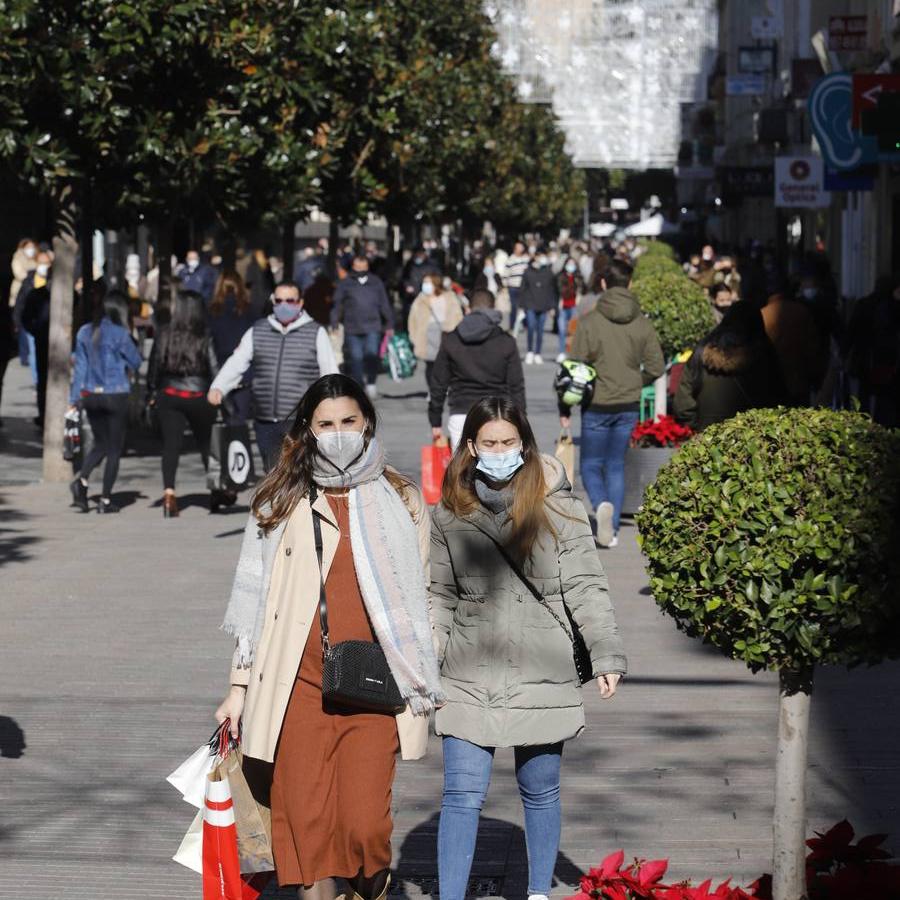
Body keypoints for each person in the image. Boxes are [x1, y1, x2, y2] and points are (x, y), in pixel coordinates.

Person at [215, 373, 443, 899]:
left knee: (365, 829)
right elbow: (255, 608)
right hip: (297, 687)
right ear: (307, 430)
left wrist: (433, 671)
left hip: (377, 685)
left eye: (348, 421)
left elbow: (427, 596)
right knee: (306, 829)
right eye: (325, 424)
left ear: (366, 423)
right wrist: (238, 689)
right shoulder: (280, 498)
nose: (338, 433)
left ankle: (368, 887)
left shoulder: (403, 498)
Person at [430, 397, 626, 900]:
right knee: (460, 794)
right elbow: (438, 594)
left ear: (525, 444)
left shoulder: (559, 506)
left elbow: (586, 584)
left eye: (509, 442)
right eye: (489, 443)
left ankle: (538, 892)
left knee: (540, 790)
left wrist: (604, 654)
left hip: (544, 661)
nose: (499, 452)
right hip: (468, 666)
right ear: (470, 446)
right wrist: (427, 665)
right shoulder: (449, 512)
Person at [560, 259, 665, 549]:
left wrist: (565, 407)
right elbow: (656, 366)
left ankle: (601, 504)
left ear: (603, 283)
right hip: (628, 402)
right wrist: (636, 381)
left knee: (591, 464)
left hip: (597, 402)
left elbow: (576, 367)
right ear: (630, 284)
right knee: (616, 464)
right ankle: (614, 528)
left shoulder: (590, 322)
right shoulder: (642, 322)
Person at [209, 281, 339, 471]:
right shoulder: (258, 330)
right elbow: (238, 361)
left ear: (300, 303)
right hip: (265, 418)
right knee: (272, 473)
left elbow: (329, 371)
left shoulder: (316, 332)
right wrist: (219, 386)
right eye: (278, 300)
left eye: (290, 300)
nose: (284, 305)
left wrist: (333, 406)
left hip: (299, 419)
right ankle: (278, 502)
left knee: (299, 471)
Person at [68, 291, 143, 513]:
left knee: (99, 443)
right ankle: (106, 500)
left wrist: (74, 400)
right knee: (113, 449)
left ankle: (81, 481)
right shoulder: (120, 334)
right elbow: (137, 362)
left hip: (90, 395)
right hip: (115, 394)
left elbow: (79, 369)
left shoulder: (84, 332)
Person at [146, 291, 219, 518]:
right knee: (207, 443)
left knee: (171, 445)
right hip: (198, 394)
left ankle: (169, 494)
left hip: (170, 393)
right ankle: (215, 489)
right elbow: (214, 366)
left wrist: (152, 390)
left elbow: (154, 366)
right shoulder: (204, 335)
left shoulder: (165, 333)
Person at [429, 289, 525, 451]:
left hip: (461, 413)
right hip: (498, 414)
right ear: (493, 309)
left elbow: (438, 384)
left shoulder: (451, 340)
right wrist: (521, 421)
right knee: (499, 472)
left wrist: (435, 420)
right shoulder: (506, 341)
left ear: (468, 309)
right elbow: (516, 386)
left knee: (463, 473)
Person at [673, 303, 786, 432]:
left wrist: (697, 428)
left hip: (707, 437)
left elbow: (683, 405)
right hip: (753, 436)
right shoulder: (764, 353)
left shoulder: (701, 352)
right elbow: (778, 398)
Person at [330, 255, 394, 400]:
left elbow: (384, 303)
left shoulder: (376, 282)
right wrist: (334, 321)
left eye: (363, 267)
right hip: (352, 327)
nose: (360, 269)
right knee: (356, 358)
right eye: (357, 267)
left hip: (373, 326)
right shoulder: (345, 283)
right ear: (353, 266)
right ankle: (359, 386)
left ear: (367, 267)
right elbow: (337, 303)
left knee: (372, 355)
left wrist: (389, 322)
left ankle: (371, 383)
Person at [207, 271, 258, 427]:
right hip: (246, 370)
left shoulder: (211, 311)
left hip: (219, 367)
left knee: (225, 416)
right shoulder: (250, 310)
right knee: (239, 418)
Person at [407, 273, 464, 397]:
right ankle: (432, 390)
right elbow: (412, 319)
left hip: (445, 334)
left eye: (428, 282)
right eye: (424, 282)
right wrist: (414, 336)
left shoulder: (449, 296)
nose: (425, 285)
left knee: (445, 364)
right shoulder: (420, 299)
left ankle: (445, 387)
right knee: (430, 365)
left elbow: (457, 315)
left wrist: (454, 331)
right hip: (426, 335)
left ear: (435, 283)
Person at [17, 248, 53, 426]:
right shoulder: (35, 292)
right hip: (41, 339)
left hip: (58, 343)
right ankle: (43, 412)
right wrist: (36, 330)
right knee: (42, 378)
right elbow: (24, 316)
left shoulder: (65, 295)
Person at [518, 250, 559, 364]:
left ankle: (538, 352)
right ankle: (530, 351)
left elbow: (552, 290)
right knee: (531, 327)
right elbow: (522, 289)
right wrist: (521, 306)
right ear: (535, 257)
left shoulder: (548, 272)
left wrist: (552, 307)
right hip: (530, 304)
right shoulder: (527, 271)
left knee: (540, 330)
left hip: (544, 304)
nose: (542, 258)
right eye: (540, 256)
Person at [9, 239, 37, 366]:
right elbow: (20, 274)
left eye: (33, 247)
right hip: (20, 296)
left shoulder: (36, 258)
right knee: (21, 326)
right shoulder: (18, 258)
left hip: (34, 295)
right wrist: (32, 275)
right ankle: (24, 355)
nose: (31, 249)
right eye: (28, 247)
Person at [401, 246, 440, 323]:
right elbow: (404, 278)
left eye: (420, 254)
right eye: (417, 254)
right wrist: (407, 286)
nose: (418, 256)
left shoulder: (431, 265)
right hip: (412, 297)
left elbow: (438, 279)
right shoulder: (410, 265)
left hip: (427, 296)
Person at [556, 257, 583, 362]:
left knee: (573, 330)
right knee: (562, 330)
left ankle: (572, 352)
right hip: (563, 305)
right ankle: (561, 352)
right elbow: (562, 290)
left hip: (574, 306)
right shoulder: (561, 276)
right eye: (569, 264)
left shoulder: (578, 277)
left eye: (573, 264)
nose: (571, 266)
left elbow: (581, 288)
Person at [503, 240, 531, 332]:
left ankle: (526, 325)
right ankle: (512, 326)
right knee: (514, 307)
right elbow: (505, 274)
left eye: (521, 246)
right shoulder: (510, 259)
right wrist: (505, 286)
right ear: (515, 249)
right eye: (519, 247)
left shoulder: (526, 259)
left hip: (524, 287)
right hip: (513, 286)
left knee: (525, 306)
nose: (521, 248)